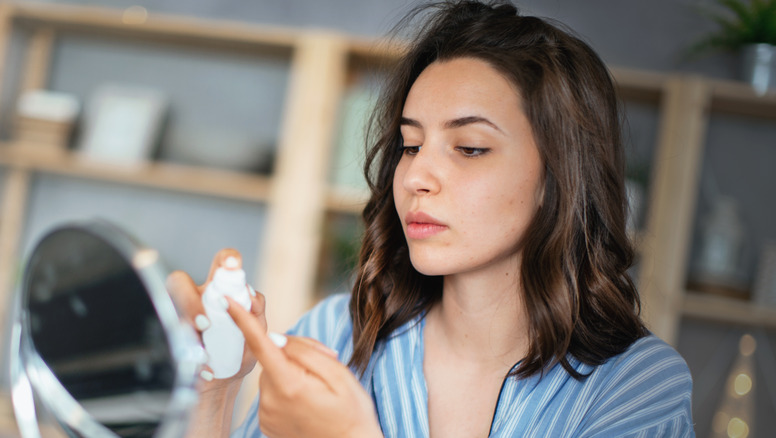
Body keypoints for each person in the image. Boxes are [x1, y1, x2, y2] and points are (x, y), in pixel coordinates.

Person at [167, 1, 694, 436]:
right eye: (410, 144)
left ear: (559, 178)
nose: (417, 175)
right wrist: (214, 393)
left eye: (468, 148)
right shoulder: (335, 335)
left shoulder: (636, 386)